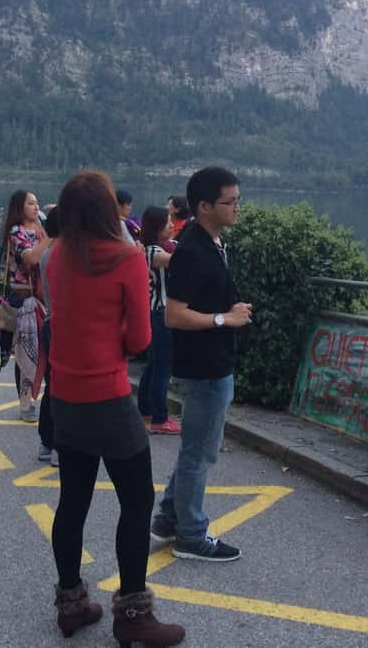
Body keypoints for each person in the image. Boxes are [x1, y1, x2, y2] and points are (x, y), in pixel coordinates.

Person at [46, 171, 183, 646]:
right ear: (109, 210)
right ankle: (133, 614)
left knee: (73, 501)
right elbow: (141, 339)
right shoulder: (127, 258)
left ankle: (72, 603)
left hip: (65, 397)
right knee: (137, 501)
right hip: (108, 397)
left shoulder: (55, 255)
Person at [151, 166, 251, 562]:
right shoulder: (193, 250)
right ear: (205, 206)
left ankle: (170, 518)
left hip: (212, 362)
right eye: (231, 202)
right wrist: (226, 319)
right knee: (200, 452)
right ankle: (191, 535)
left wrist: (230, 310)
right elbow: (174, 315)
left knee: (196, 447)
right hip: (206, 367)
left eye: (238, 200)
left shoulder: (209, 242)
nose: (237, 208)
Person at [5, 189, 53, 421]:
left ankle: (45, 399)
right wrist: (51, 235)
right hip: (24, 298)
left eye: (37, 203)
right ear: (20, 207)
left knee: (46, 350)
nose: (36, 207)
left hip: (45, 298)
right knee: (26, 353)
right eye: (31, 203)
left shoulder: (42, 229)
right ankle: (25, 403)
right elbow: (32, 258)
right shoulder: (17, 232)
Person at [137, 206, 180, 435]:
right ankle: (159, 417)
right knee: (163, 367)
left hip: (157, 313)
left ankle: (145, 409)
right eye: (167, 222)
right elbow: (180, 261)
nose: (172, 225)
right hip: (161, 313)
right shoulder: (152, 251)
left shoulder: (163, 247)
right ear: (156, 226)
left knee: (154, 365)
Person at [37, 206, 60, 466]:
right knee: (59, 387)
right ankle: (57, 445)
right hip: (61, 325)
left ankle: (47, 442)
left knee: (52, 385)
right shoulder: (61, 255)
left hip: (50, 321)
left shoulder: (47, 253)